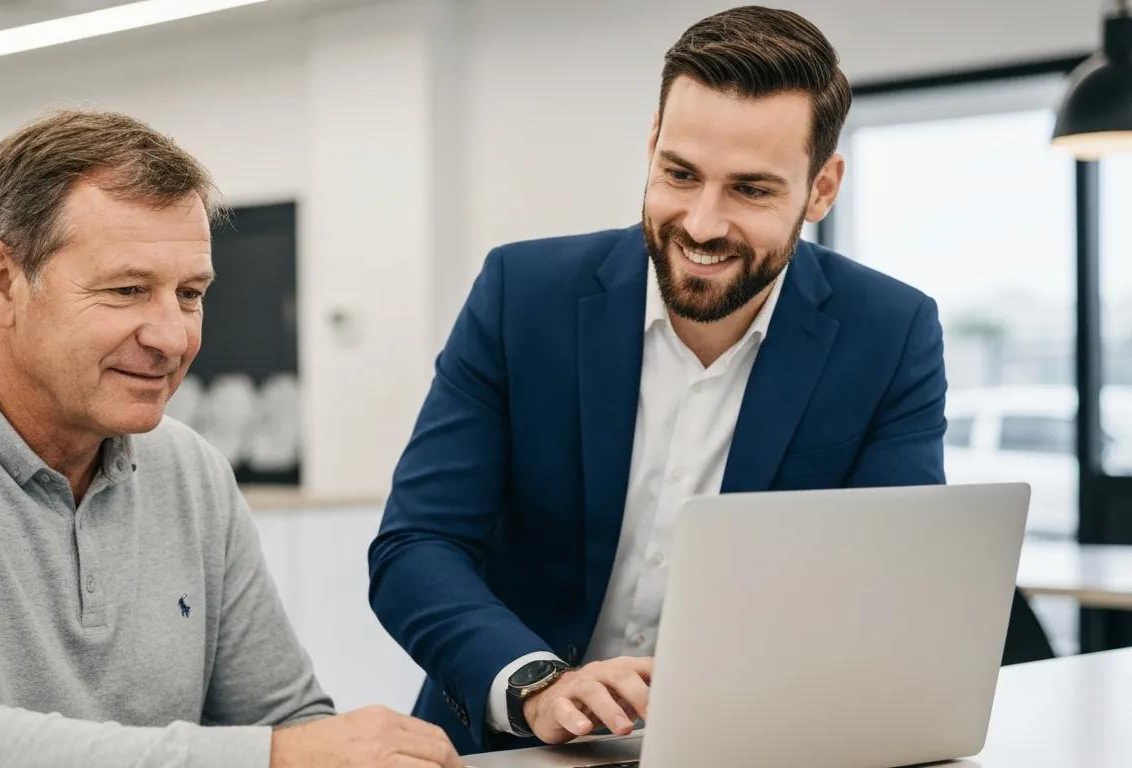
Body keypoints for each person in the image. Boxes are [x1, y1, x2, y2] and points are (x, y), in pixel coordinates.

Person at [368, 5, 1039, 755]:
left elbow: (892, 592)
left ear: (822, 189)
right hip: (513, 745)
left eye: (751, 189)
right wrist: (537, 684)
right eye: (680, 174)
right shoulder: (520, 296)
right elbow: (416, 547)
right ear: (651, 148)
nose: (703, 223)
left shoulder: (890, 332)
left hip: (759, 747)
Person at [0, 109, 461, 768]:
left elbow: (287, 721)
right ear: (3, 281)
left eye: (191, 294)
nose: (172, 335)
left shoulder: (190, 473)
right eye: (126, 290)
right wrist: (272, 757)